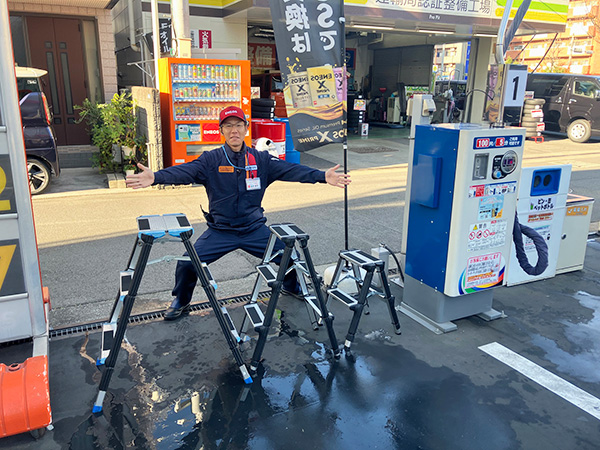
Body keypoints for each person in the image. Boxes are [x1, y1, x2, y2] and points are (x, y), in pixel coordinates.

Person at [126, 106, 351, 320]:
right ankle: (181, 301)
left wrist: (322, 176)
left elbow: (292, 170)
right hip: (220, 231)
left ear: (245, 128)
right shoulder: (211, 160)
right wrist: (156, 177)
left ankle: (291, 287)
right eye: (228, 125)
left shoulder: (261, 160)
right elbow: (185, 171)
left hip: (254, 229)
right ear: (221, 130)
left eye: (238, 125)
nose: (234, 130)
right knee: (187, 263)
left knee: (289, 256)